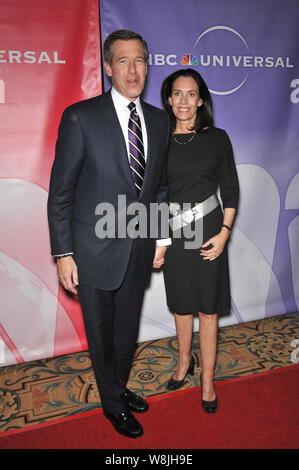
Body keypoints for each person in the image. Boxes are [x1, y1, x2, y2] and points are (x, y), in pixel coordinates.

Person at [47, 30, 170, 438]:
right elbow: (61, 193)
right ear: (107, 67)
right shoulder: (81, 117)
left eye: (140, 60)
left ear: (147, 65)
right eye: (122, 61)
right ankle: (113, 405)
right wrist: (63, 253)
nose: (132, 70)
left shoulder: (158, 119)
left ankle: (116, 387)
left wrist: (161, 238)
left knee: (125, 333)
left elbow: (160, 186)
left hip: (139, 247)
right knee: (101, 336)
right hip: (92, 250)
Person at [161, 68, 239, 413]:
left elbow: (232, 189)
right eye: (177, 93)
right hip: (175, 235)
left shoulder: (217, 138)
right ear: (168, 99)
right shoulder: (158, 139)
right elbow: (153, 194)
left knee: (208, 310)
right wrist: (158, 240)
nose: (183, 101)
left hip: (209, 232)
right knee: (181, 306)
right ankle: (183, 363)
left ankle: (207, 379)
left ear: (201, 99)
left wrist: (224, 234)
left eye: (191, 94)